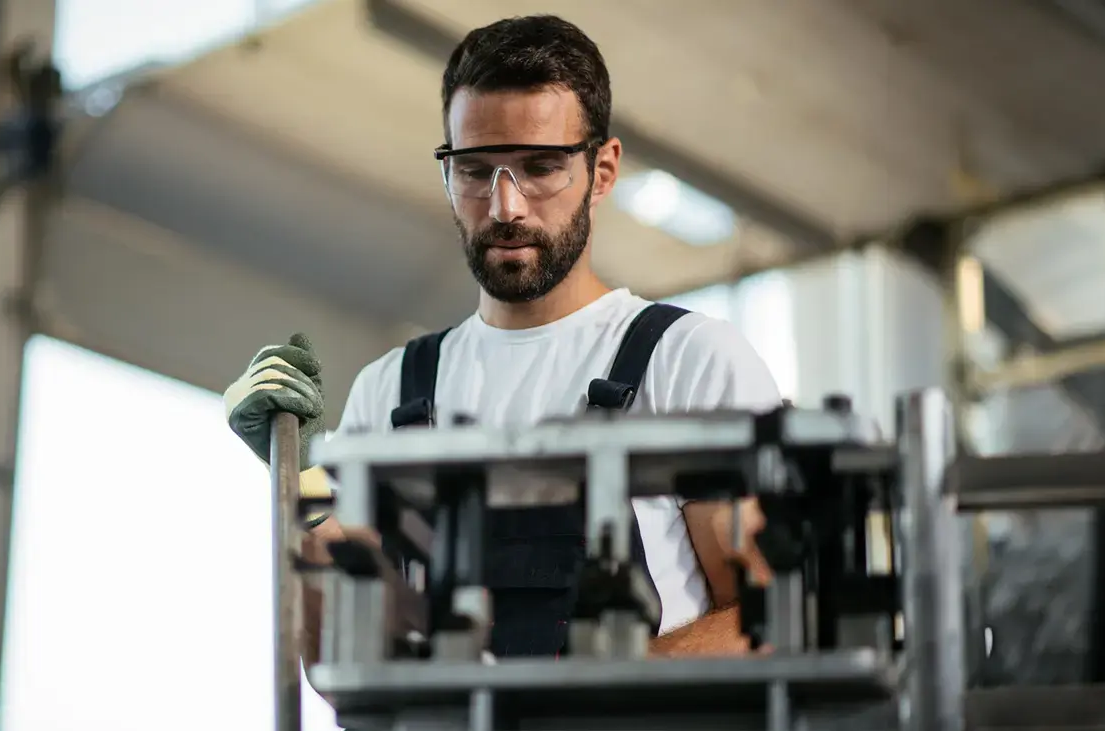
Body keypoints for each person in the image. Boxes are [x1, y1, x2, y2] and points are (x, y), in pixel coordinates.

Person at [223, 14, 781, 663]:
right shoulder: (396, 390)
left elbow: (773, 623)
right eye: (476, 169)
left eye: (540, 166)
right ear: (445, 172)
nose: (505, 205)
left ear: (603, 171)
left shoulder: (689, 363)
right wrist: (302, 481)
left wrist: (573, 701)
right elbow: (345, 664)